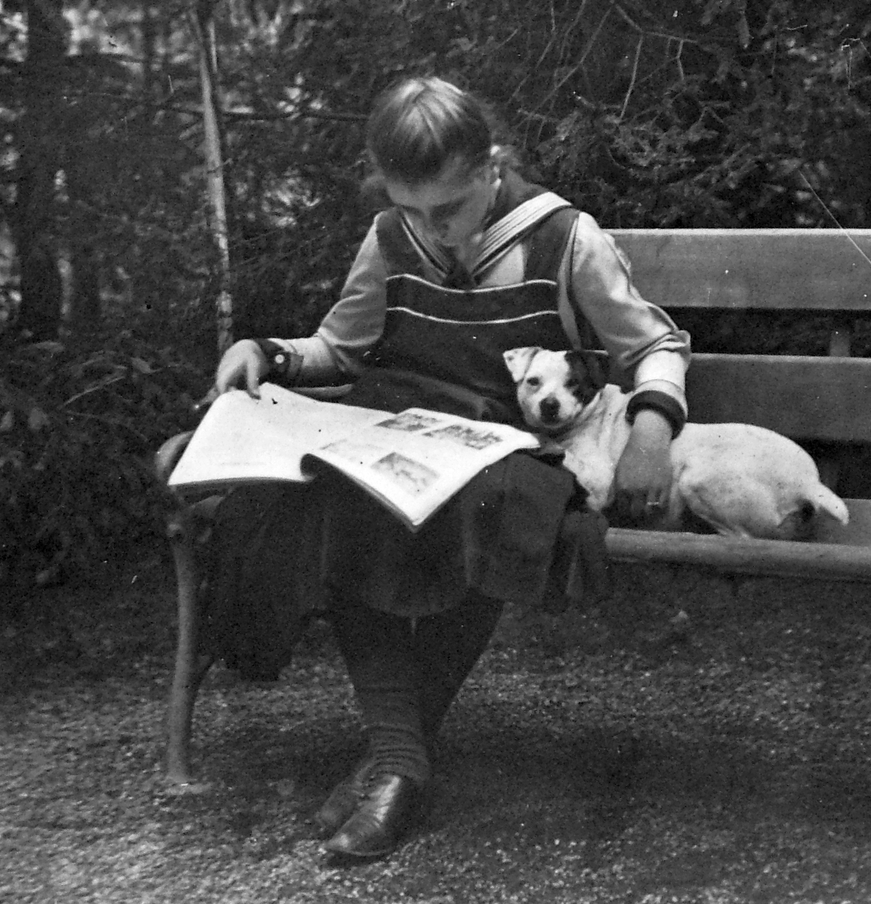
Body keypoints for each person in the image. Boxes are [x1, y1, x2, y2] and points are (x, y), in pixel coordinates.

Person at [212, 77, 690, 862]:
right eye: (412, 209)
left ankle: (394, 762)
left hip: (510, 446)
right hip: (404, 425)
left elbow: (653, 346)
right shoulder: (392, 236)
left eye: (448, 210)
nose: (432, 229)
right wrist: (267, 354)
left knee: (492, 511)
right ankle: (400, 760)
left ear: (490, 167)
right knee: (328, 499)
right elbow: (344, 347)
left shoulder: (562, 237)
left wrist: (650, 428)